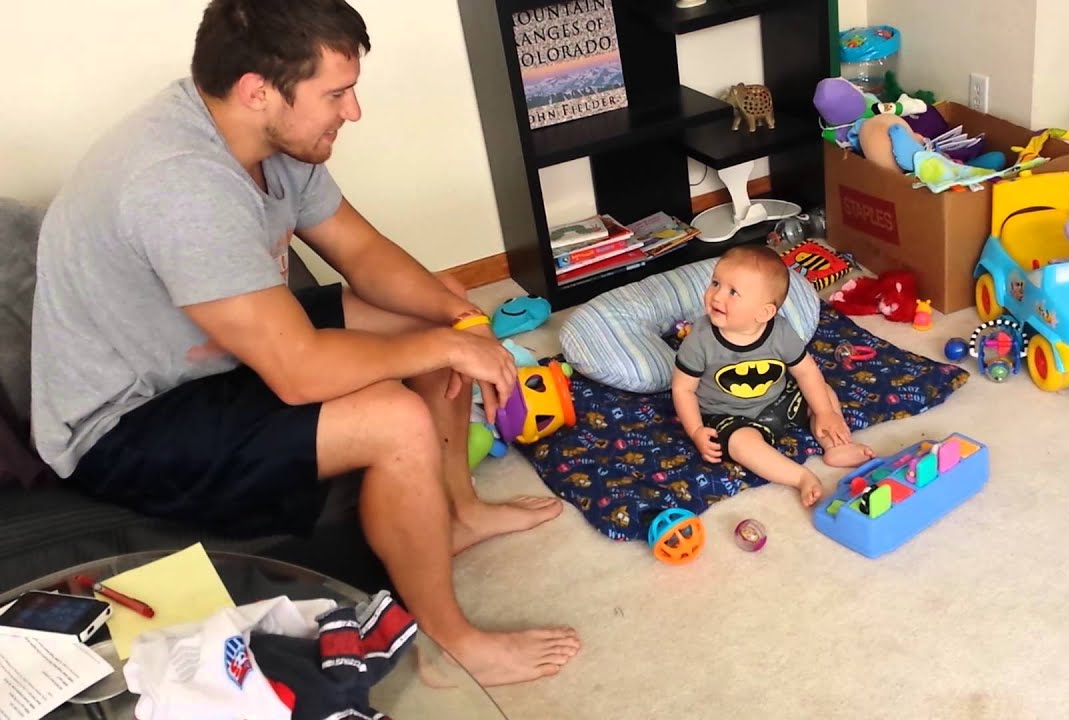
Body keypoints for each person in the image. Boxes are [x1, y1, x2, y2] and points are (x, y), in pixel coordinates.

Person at [29, 0, 579, 686]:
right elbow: (297, 372)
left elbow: (363, 252)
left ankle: (458, 512)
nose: (354, 112)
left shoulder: (272, 140)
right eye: (336, 94)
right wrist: (446, 351)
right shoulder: (179, 185)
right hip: (128, 419)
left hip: (216, 346)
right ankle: (450, 644)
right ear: (257, 90)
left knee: (433, 314)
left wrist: (459, 320)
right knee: (396, 417)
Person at [671, 246, 876, 507]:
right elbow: (683, 389)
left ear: (764, 313)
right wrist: (696, 430)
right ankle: (799, 476)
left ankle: (836, 445)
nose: (717, 295)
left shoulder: (780, 331)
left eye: (733, 292)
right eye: (715, 283)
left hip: (780, 399)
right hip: (729, 414)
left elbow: (806, 371)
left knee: (821, 391)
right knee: (740, 444)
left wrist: (825, 412)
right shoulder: (700, 339)